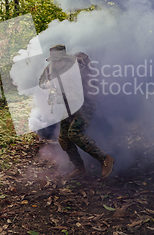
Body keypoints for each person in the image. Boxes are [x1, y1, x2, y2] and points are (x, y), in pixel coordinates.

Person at [39, 44, 115, 179]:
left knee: (74, 134)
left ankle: (105, 159)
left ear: (65, 59)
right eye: (53, 61)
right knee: (64, 139)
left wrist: (59, 95)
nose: (56, 64)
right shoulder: (51, 68)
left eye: (59, 60)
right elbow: (41, 82)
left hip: (84, 104)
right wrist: (49, 85)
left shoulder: (77, 68)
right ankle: (79, 168)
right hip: (68, 106)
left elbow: (85, 90)